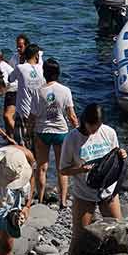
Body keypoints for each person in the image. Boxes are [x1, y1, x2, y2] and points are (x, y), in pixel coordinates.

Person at [60, 104, 127, 255]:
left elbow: (114, 158)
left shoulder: (109, 132)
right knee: (80, 237)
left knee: (119, 231)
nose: (95, 130)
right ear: (84, 121)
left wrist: (121, 154)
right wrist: (81, 169)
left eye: (98, 126)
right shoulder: (72, 139)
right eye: (92, 126)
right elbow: (63, 170)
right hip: (84, 193)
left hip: (108, 191)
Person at [28, 58, 78, 207]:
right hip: (60, 132)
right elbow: (72, 116)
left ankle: (41, 199)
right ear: (58, 73)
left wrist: (29, 133)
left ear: (44, 73)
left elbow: (32, 116)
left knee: (42, 167)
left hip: (42, 131)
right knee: (61, 168)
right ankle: (63, 201)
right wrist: (79, 132)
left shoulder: (38, 91)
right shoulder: (65, 90)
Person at [8, 44, 45, 152]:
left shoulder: (20, 68)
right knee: (36, 144)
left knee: (21, 145)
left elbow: (10, 78)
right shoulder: (41, 70)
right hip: (37, 113)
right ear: (37, 56)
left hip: (23, 112)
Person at [4, 34, 33, 136]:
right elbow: (10, 72)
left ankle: (23, 137)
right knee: (7, 117)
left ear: (26, 46)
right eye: (17, 46)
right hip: (13, 89)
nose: (18, 48)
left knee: (9, 116)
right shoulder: (15, 57)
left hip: (24, 92)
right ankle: (11, 140)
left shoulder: (32, 60)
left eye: (20, 46)